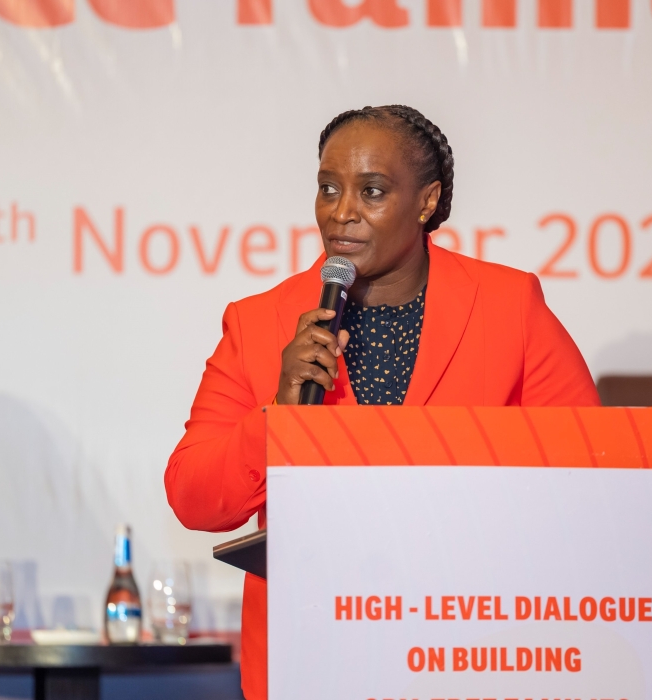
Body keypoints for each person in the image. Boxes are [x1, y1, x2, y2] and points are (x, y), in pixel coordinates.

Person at [165, 105, 599, 699]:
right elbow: (193, 496)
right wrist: (276, 417)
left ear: (426, 202)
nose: (341, 212)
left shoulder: (508, 305)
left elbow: (591, 473)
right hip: (314, 650)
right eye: (327, 188)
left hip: (470, 643)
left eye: (371, 191)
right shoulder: (260, 321)